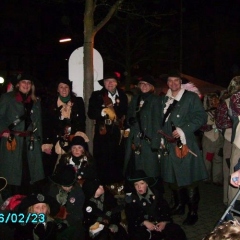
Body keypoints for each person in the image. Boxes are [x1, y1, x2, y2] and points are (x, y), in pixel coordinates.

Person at [159, 70, 208, 225]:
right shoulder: (163, 99)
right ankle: (180, 205)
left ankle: (193, 212)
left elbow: (201, 117)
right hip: (168, 144)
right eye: (170, 81)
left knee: (189, 180)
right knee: (172, 178)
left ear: (181, 82)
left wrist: (183, 129)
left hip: (185, 143)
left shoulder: (191, 97)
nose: (173, 83)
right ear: (167, 83)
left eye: (176, 81)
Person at [0, 72, 45, 200]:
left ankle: (29, 206)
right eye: (23, 82)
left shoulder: (36, 102)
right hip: (13, 142)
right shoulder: (7, 98)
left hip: (31, 143)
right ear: (18, 84)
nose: (26, 85)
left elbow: (39, 124)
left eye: (29, 83)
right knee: (13, 176)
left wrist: (41, 143)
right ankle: (11, 204)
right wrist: (3, 131)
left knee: (31, 175)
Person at [41, 75, 86, 178]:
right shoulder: (50, 103)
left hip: (73, 139)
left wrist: (78, 138)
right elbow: (46, 123)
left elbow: (82, 121)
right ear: (57, 89)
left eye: (66, 87)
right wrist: (47, 142)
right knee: (53, 170)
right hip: (55, 140)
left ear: (70, 89)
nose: (64, 89)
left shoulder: (78, 101)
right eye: (61, 87)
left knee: (74, 168)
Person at [88, 72, 128, 185]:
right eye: (107, 81)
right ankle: (102, 187)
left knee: (117, 160)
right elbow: (90, 113)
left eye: (112, 81)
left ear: (116, 83)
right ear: (104, 83)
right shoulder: (97, 95)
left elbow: (126, 113)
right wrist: (102, 112)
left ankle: (117, 187)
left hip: (117, 133)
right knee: (102, 161)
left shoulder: (122, 95)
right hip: (103, 133)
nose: (110, 83)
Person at [123, 75, 162, 191]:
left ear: (151, 87)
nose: (144, 86)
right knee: (137, 170)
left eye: (147, 84)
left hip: (148, 140)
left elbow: (157, 122)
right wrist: (129, 121)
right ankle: (139, 195)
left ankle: (153, 197)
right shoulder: (136, 99)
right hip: (135, 140)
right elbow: (129, 115)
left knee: (150, 170)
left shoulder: (155, 100)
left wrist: (155, 143)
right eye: (142, 84)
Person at [125, 170, 186, 240]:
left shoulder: (156, 193)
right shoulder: (131, 198)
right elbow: (131, 216)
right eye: (136, 184)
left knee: (176, 230)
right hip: (142, 226)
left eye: (142, 183)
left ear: (147, 184)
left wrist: (164, 222)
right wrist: (144, 222)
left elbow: (165, 208)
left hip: (158, 222)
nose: (139, 187)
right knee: (139, 236)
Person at [46, 164, 85, 240]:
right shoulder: (53, 189)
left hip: (72, 219)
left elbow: (78, 212)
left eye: (69, 186)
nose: (67, 188)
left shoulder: (78, 192)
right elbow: (50, 204)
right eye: (64, 186)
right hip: (54, 218)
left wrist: (66, 219)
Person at [201, 92, 224, 185]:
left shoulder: (221, 111)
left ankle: (217, 179)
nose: (215, 102)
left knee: (218, 159)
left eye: (216, 100)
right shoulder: (205, 113)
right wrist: (212, 126)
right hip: (209, 138)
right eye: (213, 100)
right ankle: (206, 177)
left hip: (219, 138)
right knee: (207, 159)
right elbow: (201, 126)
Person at [215, 89, 233, 205]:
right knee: (230, 171)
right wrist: (234, 123)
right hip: (231, 141)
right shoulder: (225, 104)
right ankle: (228, 200)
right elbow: (220, 123)